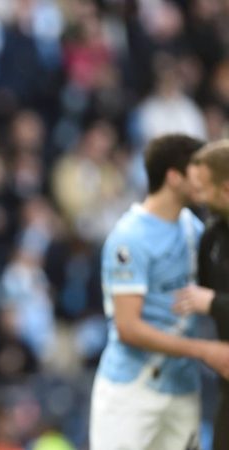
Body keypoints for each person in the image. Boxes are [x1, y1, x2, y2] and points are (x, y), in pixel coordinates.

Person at [90, 134, 229, 450]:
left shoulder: (195, 230)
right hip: (132, 390)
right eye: (197, 171)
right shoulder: (129, 239)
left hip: (182, 389)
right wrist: (206, 351)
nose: (203, 182)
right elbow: (128, 328)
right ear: (174, 176)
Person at [175, 139, 229, 450]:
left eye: (204, 187)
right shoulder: (212, 236)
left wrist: (212, 303)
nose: (198, 195)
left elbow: (206, 299)